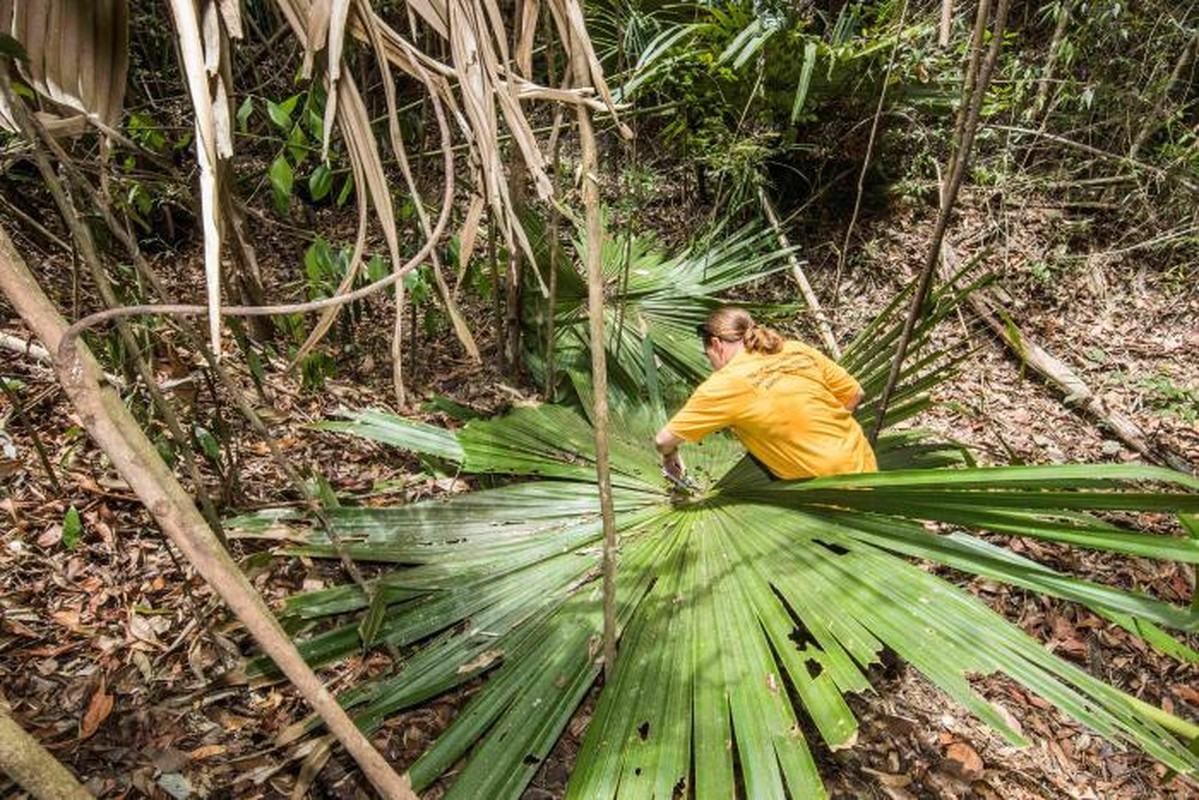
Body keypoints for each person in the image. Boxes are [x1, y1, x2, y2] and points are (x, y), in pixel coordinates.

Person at [654, 307, 877, 481]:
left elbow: (663, 440)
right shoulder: (794, 349)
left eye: (707, 355)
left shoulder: (724, 384)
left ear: (716, 344)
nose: (710, 363)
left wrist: (669, 455)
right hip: (865, 465)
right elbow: (854, 393)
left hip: (823, 489)